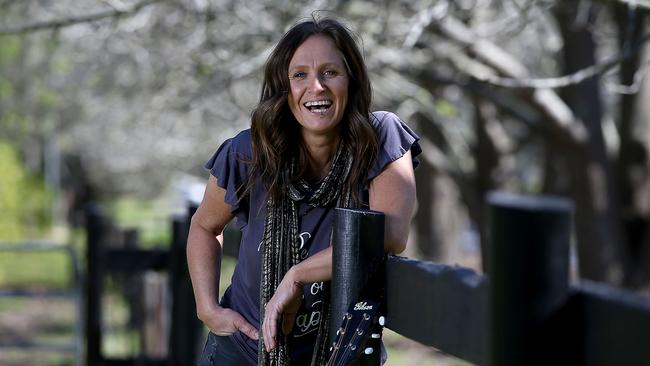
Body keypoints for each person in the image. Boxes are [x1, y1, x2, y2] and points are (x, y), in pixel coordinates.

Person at [187, 14, 421, 366]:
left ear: (351, 81)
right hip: (242, 353)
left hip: (341, 355)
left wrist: (297, 275)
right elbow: (205, 226)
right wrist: (207, 308)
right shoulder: (248, 153)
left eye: (330, 72)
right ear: (285, 88)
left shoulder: (380, 139)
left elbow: (389, 233)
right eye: (300, 75)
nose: (317, 87)